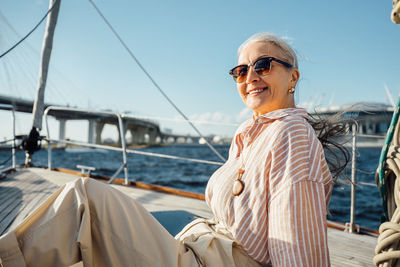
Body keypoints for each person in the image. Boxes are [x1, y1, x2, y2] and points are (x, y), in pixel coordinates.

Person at [0, 32, 339, 267]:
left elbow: (298, 250)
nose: (250, 76)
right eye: (240, 71)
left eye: (263, 64)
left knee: (84, 199)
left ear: (293, 77)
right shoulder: (249, 133)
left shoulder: (291, 134)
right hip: (198, 248)